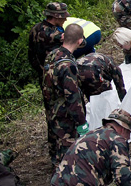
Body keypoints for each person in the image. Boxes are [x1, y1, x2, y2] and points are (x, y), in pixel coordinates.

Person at [42, 23, 88, 167]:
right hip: (64, 114)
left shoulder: (52, 55)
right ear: (80, 41)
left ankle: (56, 166)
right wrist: (81, 122)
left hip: (51, 108)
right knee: (66, 151)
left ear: (63, 37)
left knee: (55, 143)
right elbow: (73, 97)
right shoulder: (68, 66)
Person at [50, 108, 131, 185]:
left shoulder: (91, 135)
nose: (128, 137)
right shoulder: (116, 139)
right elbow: (123, 175)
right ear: (123, 129)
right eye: (129, 132)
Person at [28, 2, 69, 84]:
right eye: (63, 17)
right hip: (54, 73)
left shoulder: (36, 27)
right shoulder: (54, 34)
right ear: (56, 17)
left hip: (42, 71)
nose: (65, 19)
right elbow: (80, 41)